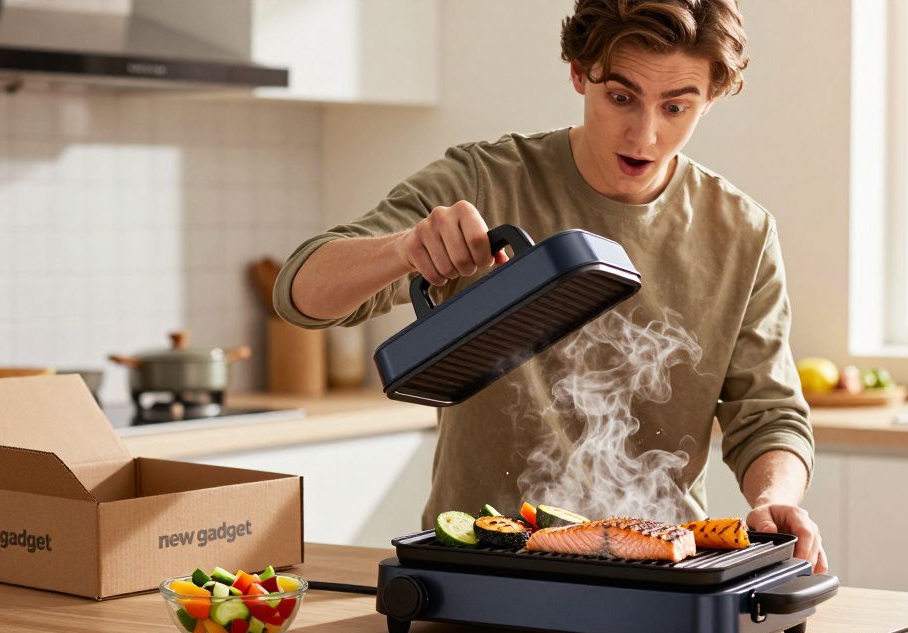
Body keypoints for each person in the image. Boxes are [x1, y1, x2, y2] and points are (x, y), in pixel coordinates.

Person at [275, 0, 827, 572]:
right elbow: (300, 294)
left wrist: (775, 499)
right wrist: (403, 248)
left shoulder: (742, 232)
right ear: (578, 72)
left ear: (710, 99)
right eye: (621, 97)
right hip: (480, 565)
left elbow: (768, 412)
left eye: (676, 106)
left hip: (662, 571)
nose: (645, 134)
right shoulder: (484, 181)